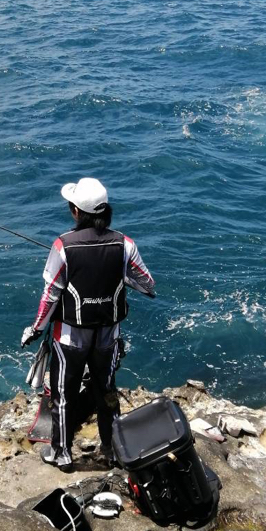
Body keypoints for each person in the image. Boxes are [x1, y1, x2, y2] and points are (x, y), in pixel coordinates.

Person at [21, 177, 155, 472]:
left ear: (77, 212)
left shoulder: (62, 246)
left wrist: (34, 329)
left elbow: (51, 294)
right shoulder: (125, 244)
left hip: (69, 337)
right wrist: (119, 274)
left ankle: (62, 454)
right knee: (106, 391)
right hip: (108, 335)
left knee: (63, 394)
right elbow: (147, 284)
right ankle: (111, 451)